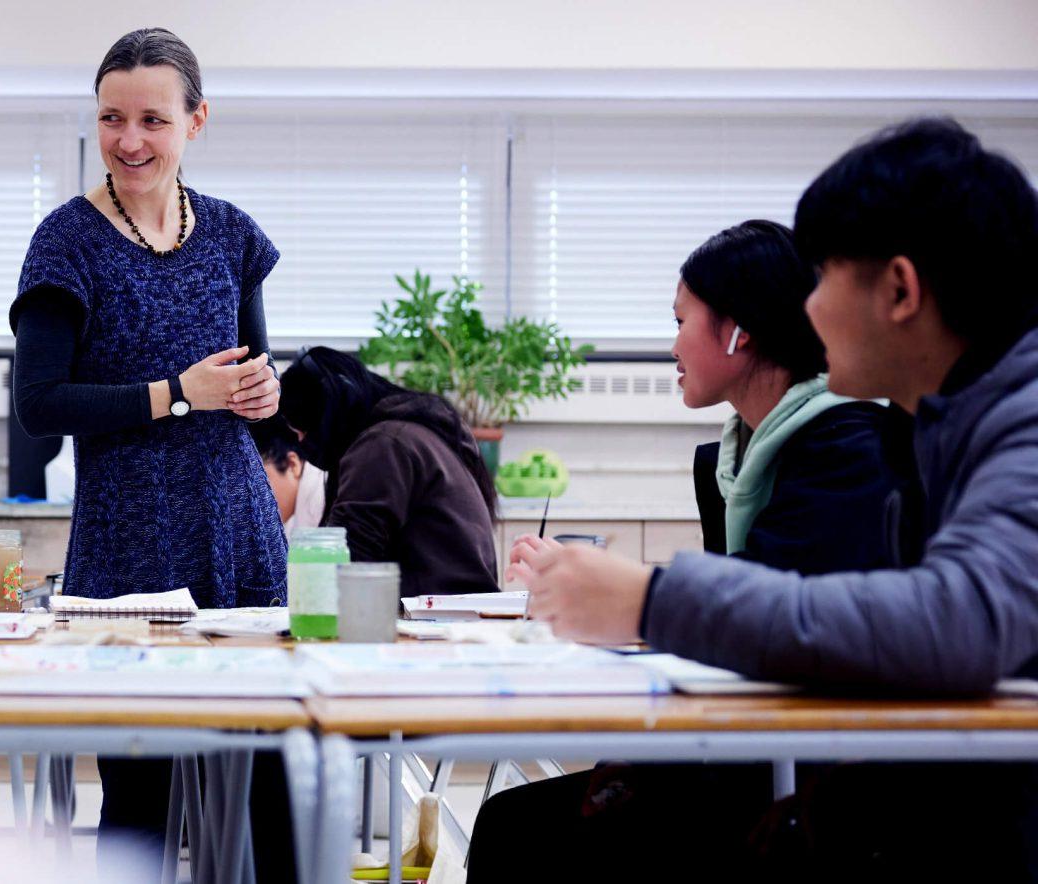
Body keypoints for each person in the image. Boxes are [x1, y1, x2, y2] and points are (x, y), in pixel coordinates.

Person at [510, 118, 1038, 878]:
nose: (807, 306)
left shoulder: (1016, 421)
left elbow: (957, 621)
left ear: (899, 289)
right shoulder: (937, 426)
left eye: (822, 277)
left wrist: (655, 598)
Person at [467, 220, 926, 881]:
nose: (672, 344)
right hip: (747, 747)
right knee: (520, 823)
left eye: (683, 319)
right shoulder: (737, 459)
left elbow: (759, 608)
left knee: (521, 831)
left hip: (818, 774)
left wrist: (624, 595)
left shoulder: (848, 447)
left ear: (739, 329)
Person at [8, 28, 291, 879]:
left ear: (196, 122)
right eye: (111, 118)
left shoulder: (233, 235)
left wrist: (264, 394)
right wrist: (173, 393)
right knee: (142, 804)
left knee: (269, 792)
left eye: (153, 120)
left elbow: (252, 372)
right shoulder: (66, 243)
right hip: (130, 554)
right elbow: (38, 408)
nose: (130, 140)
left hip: (240, 542)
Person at [278, 346, 498, 597]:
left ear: (330, 412)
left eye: (303, 430)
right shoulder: (411, 433)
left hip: (436, 619)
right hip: (456, 611)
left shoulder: (383, 446)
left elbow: (349, 563)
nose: (303, 442)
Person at [250, 415, 325, 534]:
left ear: (292, 464)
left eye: (260, 486)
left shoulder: (324, 497)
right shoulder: (290, 518)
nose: (255, 502)